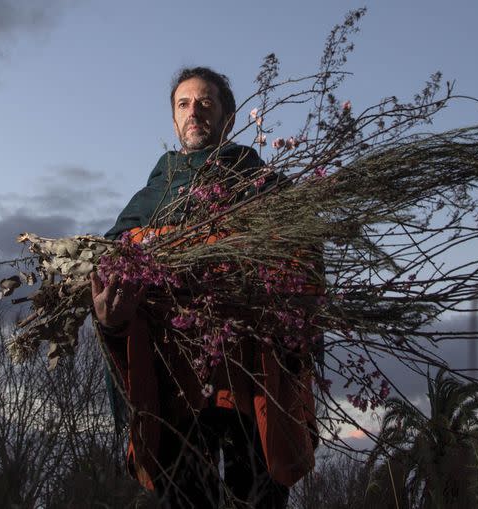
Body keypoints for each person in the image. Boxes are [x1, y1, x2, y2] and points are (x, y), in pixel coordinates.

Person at [90, 67, 317, 508]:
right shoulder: (148, 202)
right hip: (175, 392)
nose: (194, 111)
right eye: (184, 104)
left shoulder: (263, 186)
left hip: (250, 388)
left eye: (206, 102)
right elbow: (113, 270)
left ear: (228, 119)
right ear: (174, 119)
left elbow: (302, 257)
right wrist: (109, 317)